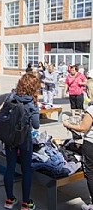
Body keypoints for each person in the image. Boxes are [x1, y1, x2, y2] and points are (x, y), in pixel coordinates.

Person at [3, 73, 41, 210]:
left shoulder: (11, 97)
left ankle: (9, 200)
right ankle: (26, 203)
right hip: (25, 139)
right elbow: (36, 125)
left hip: (10, 137)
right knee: (26, 170)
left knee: (10, 167)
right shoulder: (31, 104)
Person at [63, 79, 93, 210]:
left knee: (90, 173)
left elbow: (83, 127)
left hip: (91, 143)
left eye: (86, 89)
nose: (85, 91)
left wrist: (68, 124)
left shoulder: (91, 108)